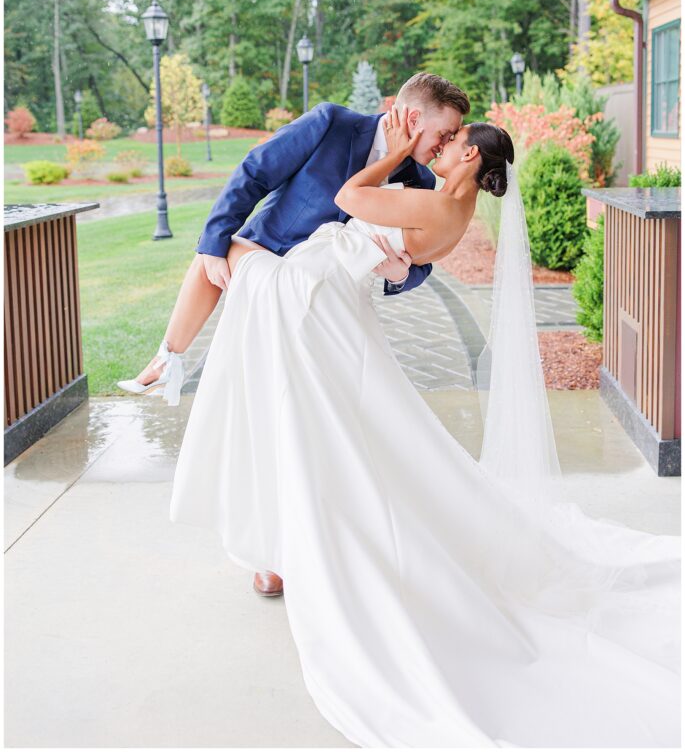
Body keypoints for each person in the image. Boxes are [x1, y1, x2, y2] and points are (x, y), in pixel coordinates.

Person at [168, 107, 680, 748]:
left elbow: (349, 197)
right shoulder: (444, 204)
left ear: (469, 158)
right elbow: (397, 250)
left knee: (237, 259)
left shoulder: (437, 205)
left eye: (450, 142)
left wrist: (395, 153)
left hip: (317, 297)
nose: (436, 147)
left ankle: (173, 365)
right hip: (330, 299)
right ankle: (275, 526)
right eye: (439, 136)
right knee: (331, 422)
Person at [118, 72, 468, 593]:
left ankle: (329, 540)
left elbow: (419, 261)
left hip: (328, 311)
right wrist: (214, 242)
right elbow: (255, 173)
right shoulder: (331, 124)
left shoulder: (421, 183)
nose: (445, 146)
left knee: (323, 430)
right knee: (267, 416)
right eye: (443, 134)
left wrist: (399, 274)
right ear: (413, 118)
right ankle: (271, 551)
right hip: (269, 276)